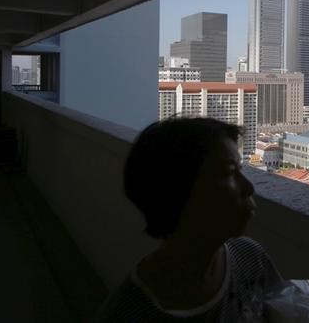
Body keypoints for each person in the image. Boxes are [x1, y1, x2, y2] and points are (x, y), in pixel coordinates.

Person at [93, 117, 284, 322]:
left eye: (240, 170)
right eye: (229, 172)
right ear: (180, 194)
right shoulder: (130, 314)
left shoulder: (251, 258)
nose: (249, 188)